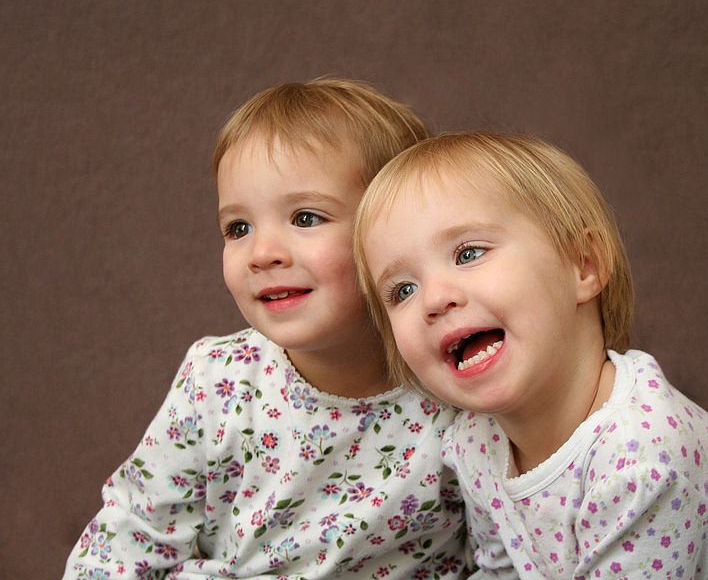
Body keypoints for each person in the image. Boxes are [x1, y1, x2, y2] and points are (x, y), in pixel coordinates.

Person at [353, 131, 708, 578]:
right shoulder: (475, 445)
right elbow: (502, 570)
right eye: (402, 290)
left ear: (582, 266)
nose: (435, 299)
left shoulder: (643, 453)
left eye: (468, 254)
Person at [64, 80, 469, 579]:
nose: (262, 253)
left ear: (394, 234)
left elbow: (504, 550)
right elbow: (127, 538)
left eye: (305, 217)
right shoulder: (218, 382)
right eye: (238, 228)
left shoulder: (457, 391)